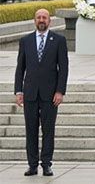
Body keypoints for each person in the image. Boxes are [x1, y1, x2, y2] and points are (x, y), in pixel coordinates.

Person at [14, 9, 69, 177]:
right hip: (30, 94)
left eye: (44, 17)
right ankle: (32, 165)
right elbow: (20, 68)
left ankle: (46, 164)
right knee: (30, 130)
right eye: (39, 17)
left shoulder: (59, 40)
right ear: (34, 20)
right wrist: (18, 91)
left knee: (48, 130)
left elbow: (63, 68)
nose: (41, 20)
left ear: (49, 21)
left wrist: (60, 91)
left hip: (50, 94)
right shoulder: (26, 41)